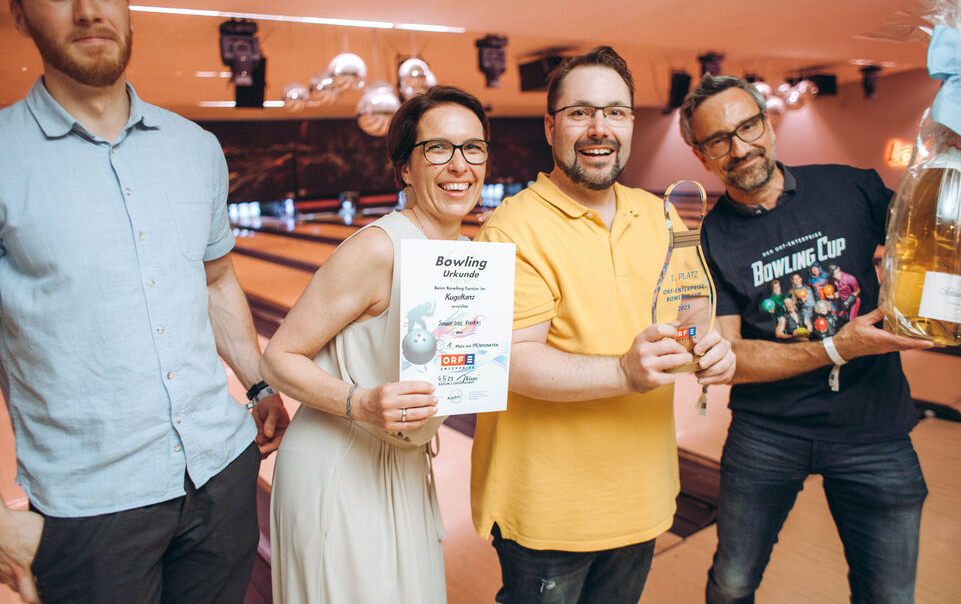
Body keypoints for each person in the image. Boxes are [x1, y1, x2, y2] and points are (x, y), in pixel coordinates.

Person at [0, 0, 290, 602]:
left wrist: (259, 382)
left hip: (221, 470)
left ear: (126, 6)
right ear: (19, 13)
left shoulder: (195, 148)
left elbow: (217, 280)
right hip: (89, 508)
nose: (87, 10)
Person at [471, 46, 735, 604]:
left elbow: (690, 313)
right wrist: (623, 372)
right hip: (549, 514)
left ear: (631, 123)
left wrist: (709, 346)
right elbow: (510, 359)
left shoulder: (659, 213)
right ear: (551, 127)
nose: (600, 128)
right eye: (580, 112)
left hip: (642, 497)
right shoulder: (511, 228)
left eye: (615, 112)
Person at [679, 73, 931, 604]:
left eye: (747, 127)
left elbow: (929, 241)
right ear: (700, 155)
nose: (739, 148)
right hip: (766, 434)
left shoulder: (850, 186)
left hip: (875, 426)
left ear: (768, 124)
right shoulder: (708, 240)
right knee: (732, 583)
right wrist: (838, 348)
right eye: (718, 140)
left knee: (889, 594)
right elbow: (730, 358)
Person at [262, 85, 491, 604]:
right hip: (340, 462)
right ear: (405, 168)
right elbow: (277, 358)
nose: (459, 165)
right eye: (438, 148)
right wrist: (361, 402)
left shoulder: (466, 252)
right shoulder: (377, 249)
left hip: (405, 465)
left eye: (473, 148)